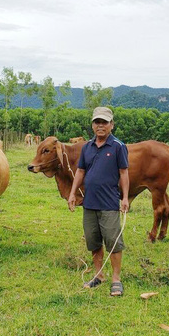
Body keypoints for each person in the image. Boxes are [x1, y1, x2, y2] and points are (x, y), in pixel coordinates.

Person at [68, 107, 129, 296]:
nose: (100, 126)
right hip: (89, 203)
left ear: (112, 124)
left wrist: (125, 197)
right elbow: (80, 171)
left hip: (110, 203)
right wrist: (72, 193)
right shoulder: (87, 147)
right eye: (97, 122)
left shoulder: (118, 146)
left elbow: (124, 172)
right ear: (92, 125)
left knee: (113, 241)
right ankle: (99, 275)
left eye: (104, 122)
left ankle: (116, 279)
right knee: (93, 241)